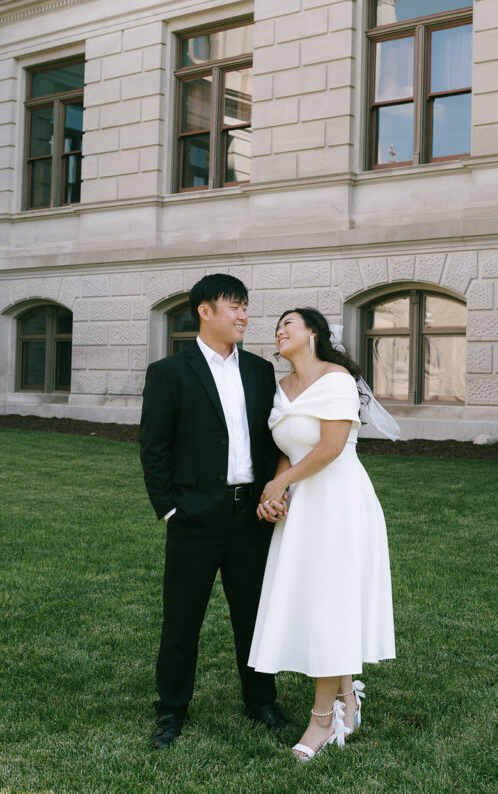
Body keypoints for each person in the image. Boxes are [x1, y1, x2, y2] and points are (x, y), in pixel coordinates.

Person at [139, 274, 291, 750]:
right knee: (182, 619)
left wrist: (271, 493)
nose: (244, 315)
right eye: (234, 307)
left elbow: (270, 442)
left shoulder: (260, 371)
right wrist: (169, 510)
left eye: (246, 306)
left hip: (250, 516)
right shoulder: (169, 373)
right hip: (194, 517)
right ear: (205, 312)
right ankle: (171, 711)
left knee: (254, 615)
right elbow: (154, 448)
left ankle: (260, 700)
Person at [248, 307, 397, 760]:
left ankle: (322, 719)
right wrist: (275, 496)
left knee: (331, 601)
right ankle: (348, 695)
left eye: (288, 323)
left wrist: (279, 484)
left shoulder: (335, 379)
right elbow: (288, 450)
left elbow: (331, 447)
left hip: (339, 502)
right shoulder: (282, 389)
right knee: (317, 601)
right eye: (277, 327)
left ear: (312, 333)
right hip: (302, 507)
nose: (279, 330)